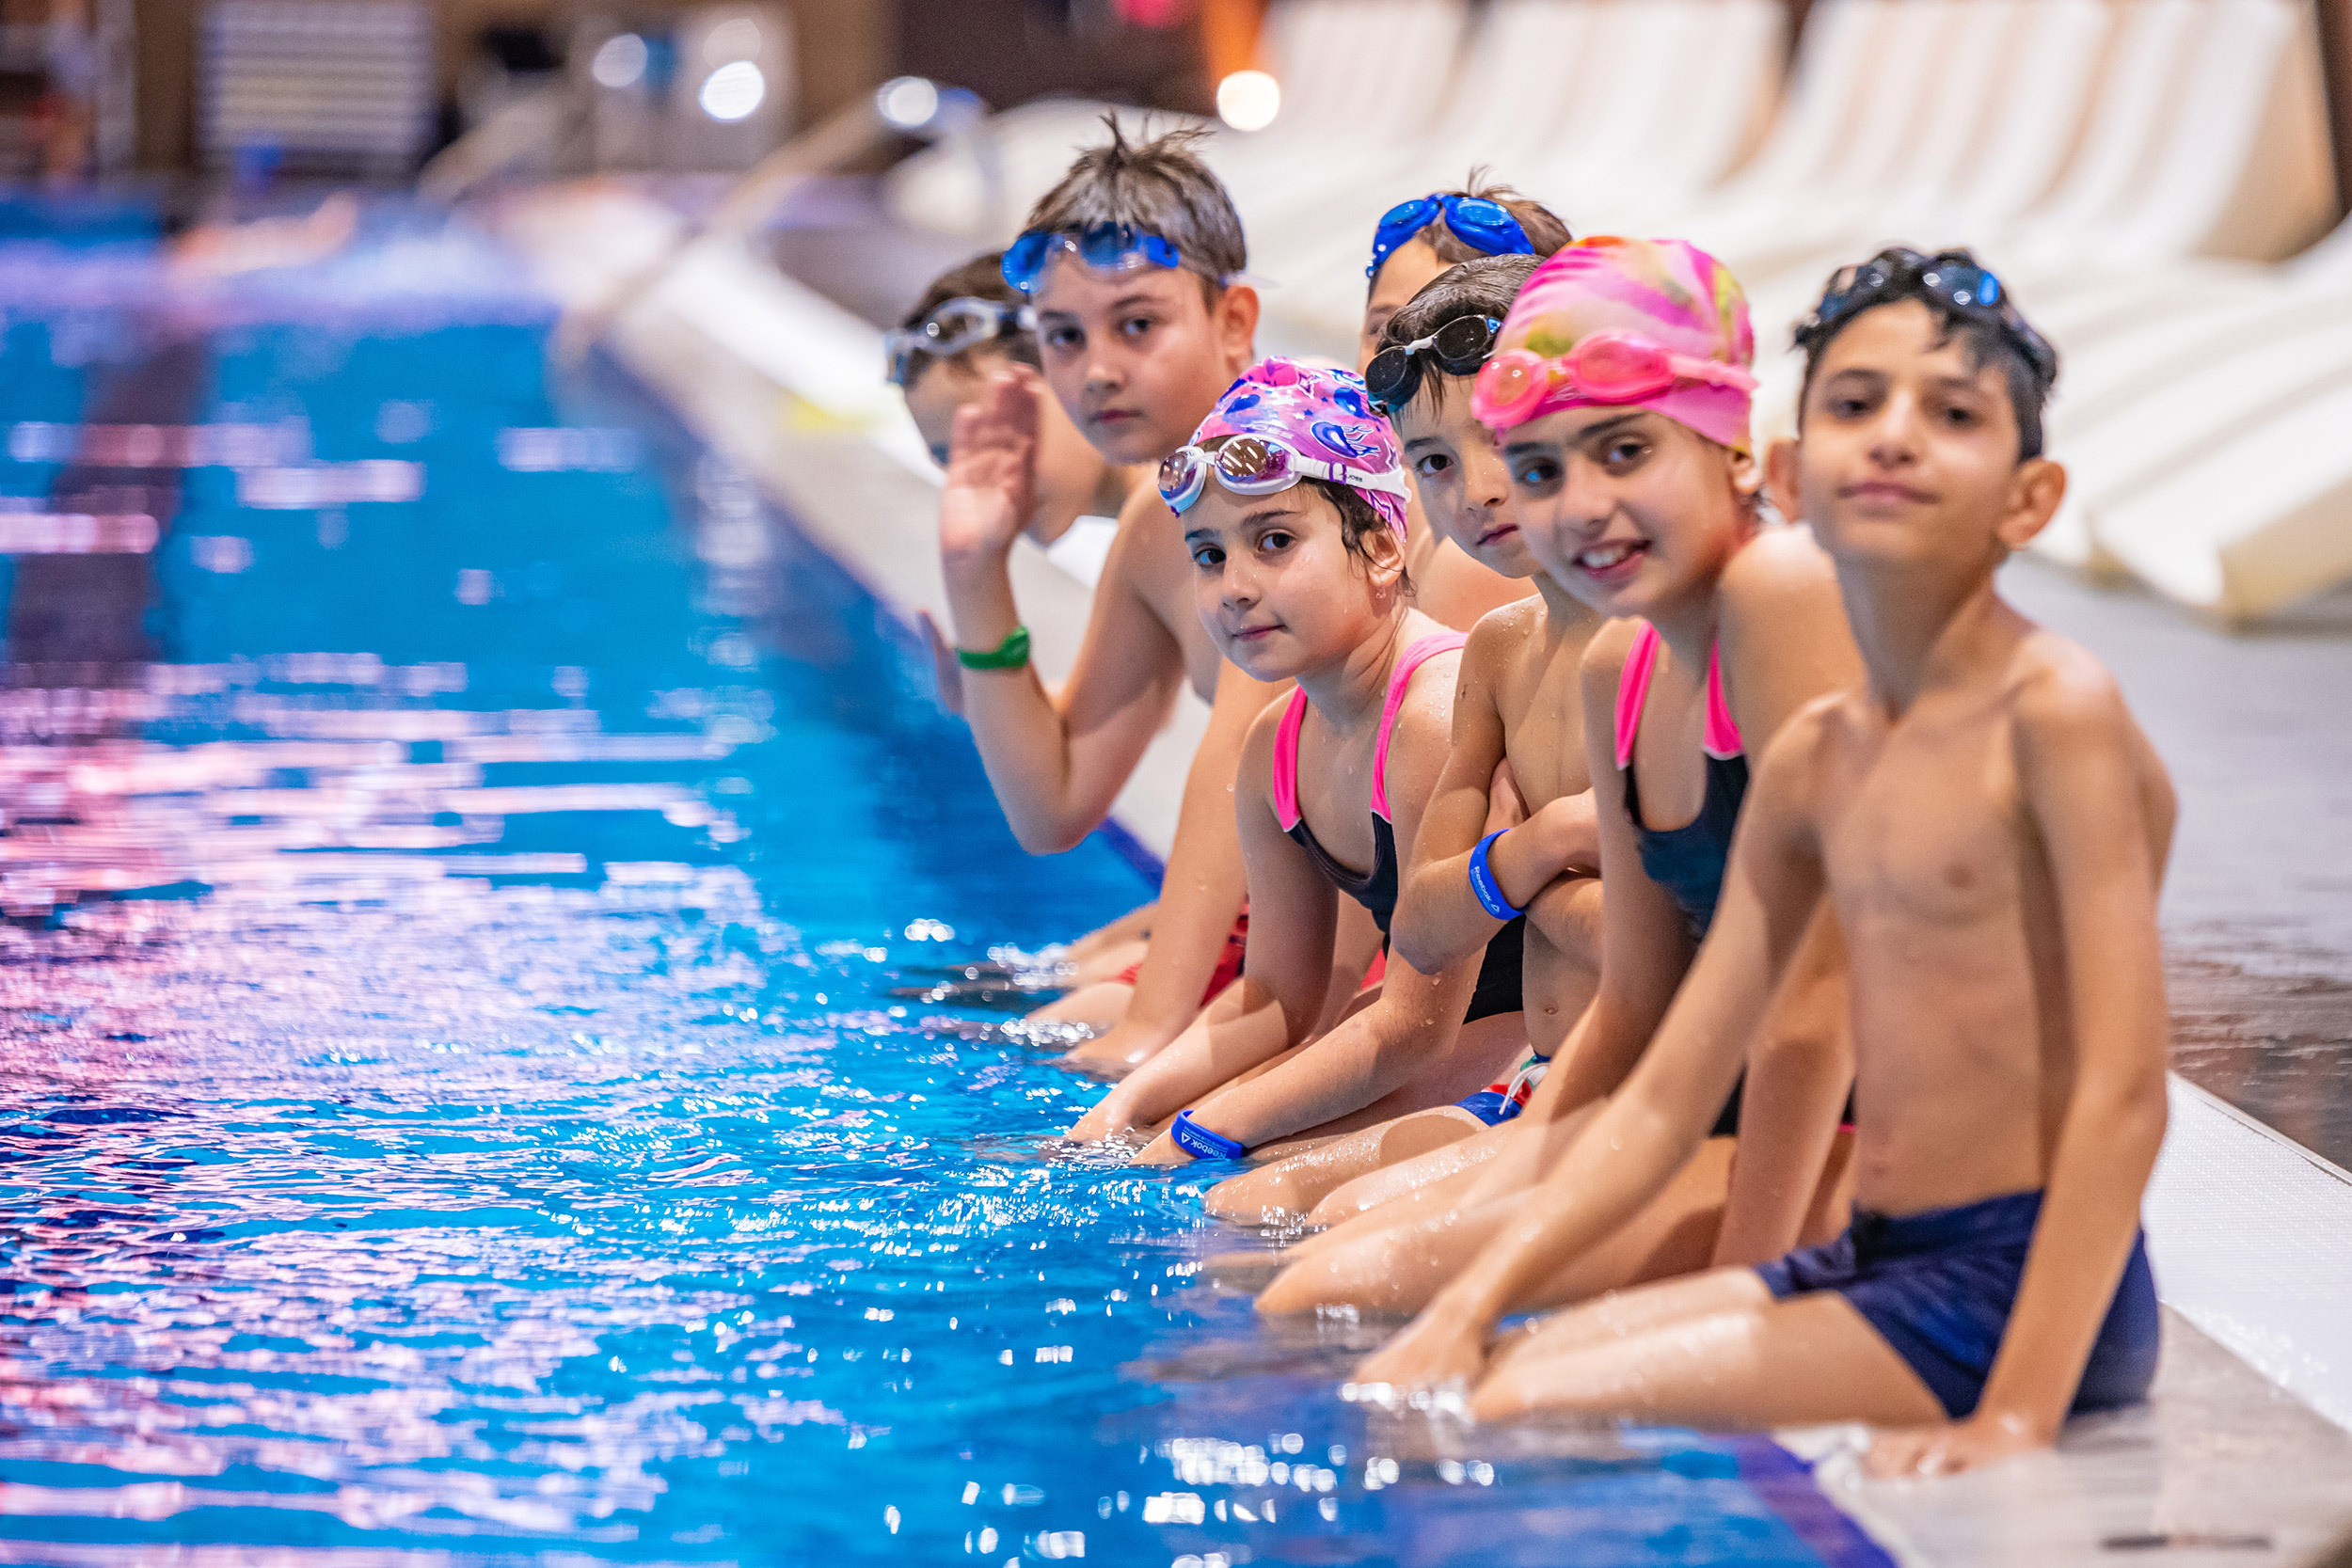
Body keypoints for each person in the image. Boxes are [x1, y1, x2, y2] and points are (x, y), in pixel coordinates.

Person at [1356, 247, 2172, 1481]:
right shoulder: (1818, 759)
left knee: (1514, 1412)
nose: (1893, 437)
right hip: (1872, 1254)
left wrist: (2015, 1410)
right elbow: (1678, 1074)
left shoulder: (2056, 713)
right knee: (1471, 1373)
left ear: (2031, 498)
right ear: (1796, 468)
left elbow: (2125, 1091)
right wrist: (1475, 1297)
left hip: (2012, 1281)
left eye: (1950, 414)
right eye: (1853, 404)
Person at [1253, 237, 1861, 1316]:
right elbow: (1613, 973)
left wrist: (1746, 1289)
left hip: (1832, 1142)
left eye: (1620, 450)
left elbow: (1793, 996)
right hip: (1625, 1099)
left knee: (1332, 1286)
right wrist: (1537, 853)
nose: (1554, 501)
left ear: (1733, 449)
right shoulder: (1606, 664)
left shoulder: (1777, 605)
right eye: (1544, 463)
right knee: (1305, 1266)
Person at [1197, 252, 1607, 1220]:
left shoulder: (1641, 656)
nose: (1476, 490)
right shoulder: (1503, 650)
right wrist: (1542, 849)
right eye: (1434, 462)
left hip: (1612, 1093)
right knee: (1244, 1207)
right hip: (1538, 1083)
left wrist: (1499, 876)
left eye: (1503, 442)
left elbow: (1668, 932)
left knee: (1310, 1225)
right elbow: (1423, 926)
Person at [1064, 360, 1528, 1157]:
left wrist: (1205, 1129)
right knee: (1136, 1142)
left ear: (1382, 547)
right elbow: (1277, 999)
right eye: (1208, 556)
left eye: (1274, 542)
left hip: (1518, 1039)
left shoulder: (1431, 712)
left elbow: (1418, 1025)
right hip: (1432, 1030)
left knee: (1241, 1182)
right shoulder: (1275, 747)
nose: (1234, 586)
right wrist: (1126, 1107)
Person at [935, 124, 1278, 1069]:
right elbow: (1051, 807)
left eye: (1137, 324)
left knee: (1064, 1043)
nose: (1097, 370)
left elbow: (1238, 757)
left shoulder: (1272, 484)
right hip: (1316, 906)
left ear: (1234, 321)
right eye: (1063, 335)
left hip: (1409, 929)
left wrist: (1150, 1025)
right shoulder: (1159, 522)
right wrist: (975, 570)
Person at [889, 254, 1152, 996]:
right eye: (948, 461)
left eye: (988, 442)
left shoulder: (1180, 514)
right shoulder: (1147, 531)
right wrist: (987, 675)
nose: (973, 484)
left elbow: (1052, 812)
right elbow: (1057, 797)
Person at [1357, 178, 1573, 633]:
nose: (1423, 363)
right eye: (1386, 331)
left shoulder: (1475, 565)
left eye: (1462, 334)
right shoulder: (1413, 505)